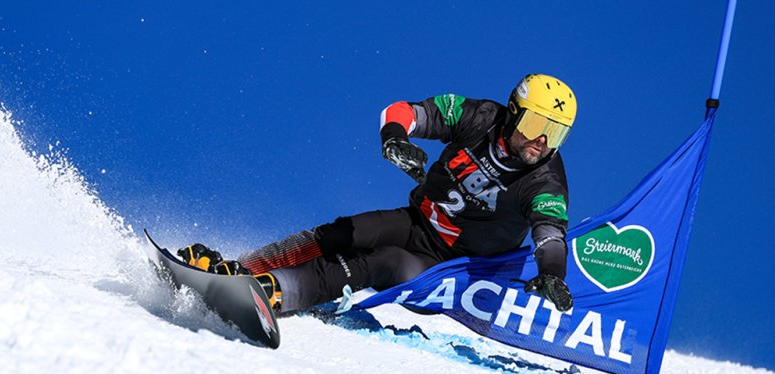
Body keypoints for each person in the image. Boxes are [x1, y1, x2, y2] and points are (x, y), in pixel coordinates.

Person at [179, 73, 576, 315]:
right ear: (512, 110)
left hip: (452, 269)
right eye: (538, 122)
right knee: (343, 233)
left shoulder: (546, 180)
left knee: (383, 261)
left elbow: (550, 233)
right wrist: (395, 141)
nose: (542, 140)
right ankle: (240, 271)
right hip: (418, 222)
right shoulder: (479, 117)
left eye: (555, 132)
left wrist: (552, 275)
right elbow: (402, 111)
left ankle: (277, 293)